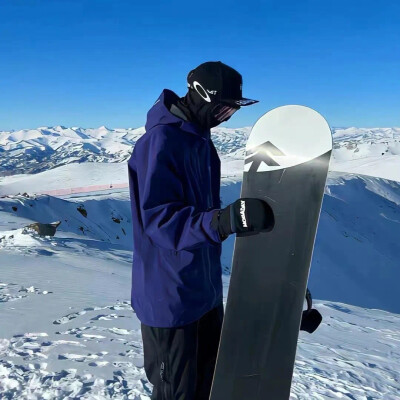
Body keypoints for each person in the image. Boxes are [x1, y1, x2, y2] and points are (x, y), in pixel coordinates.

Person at [128, 61, 274, 400]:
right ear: (200, 95)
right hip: (170, 299)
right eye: (224, 108)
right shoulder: (160, 141)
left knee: (209, 388)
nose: (228, 116)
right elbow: (160, 222)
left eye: (233, 110)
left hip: (205, 293)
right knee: (176, 394)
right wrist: (220, 222)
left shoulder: (202, 144)